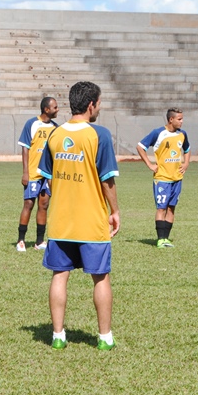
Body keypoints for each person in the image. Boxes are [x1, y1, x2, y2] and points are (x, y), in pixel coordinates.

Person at [38, 81, 120, 350]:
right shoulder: (100, 135)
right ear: (90, 105)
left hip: (61, 221)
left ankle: (58, 336)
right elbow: (108, 181)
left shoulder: (54, 135)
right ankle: (105, 337)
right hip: (91, 221)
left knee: (59, 275)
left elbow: (47, 180)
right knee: (101, 277)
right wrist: (115, 211)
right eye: (99, 103)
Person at [137, 108, 191, 248]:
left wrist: (185, 163)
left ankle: (166, 238)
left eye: (182, 118)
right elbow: (140, 146)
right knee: (161, 208)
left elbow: (187, 149)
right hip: (162, 177)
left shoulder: (182, 134)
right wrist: (150, 164)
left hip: (177, 178)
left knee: (171, 208)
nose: (182, 121)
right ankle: (160, 239)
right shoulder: (158, 133)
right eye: (179, 119)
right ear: (171, 119)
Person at [16, 97, 59, 252]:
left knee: (44, 205)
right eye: (55, 107)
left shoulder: (55, 128)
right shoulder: (32, 124)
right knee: (28, 204)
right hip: (33, 173)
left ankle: (39, 241)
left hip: (47, 174)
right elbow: (25, 148)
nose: (57, 110)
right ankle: (21, 240)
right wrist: (25, 172)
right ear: (46, 109)